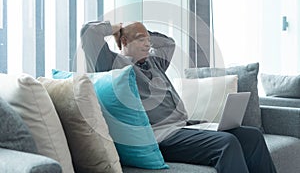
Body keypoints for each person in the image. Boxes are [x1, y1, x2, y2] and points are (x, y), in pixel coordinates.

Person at [80, 20, 277, 173]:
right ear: (124, 42)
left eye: (148, 40)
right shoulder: (112, 64)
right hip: (161, 136)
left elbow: (168, 43)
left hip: (183, 127)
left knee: (251, 136)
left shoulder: (154, 63)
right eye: (142, 40)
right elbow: (88, 33)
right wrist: (120, 28)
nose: (148, 44)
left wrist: (142, 32)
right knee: (226, 143)